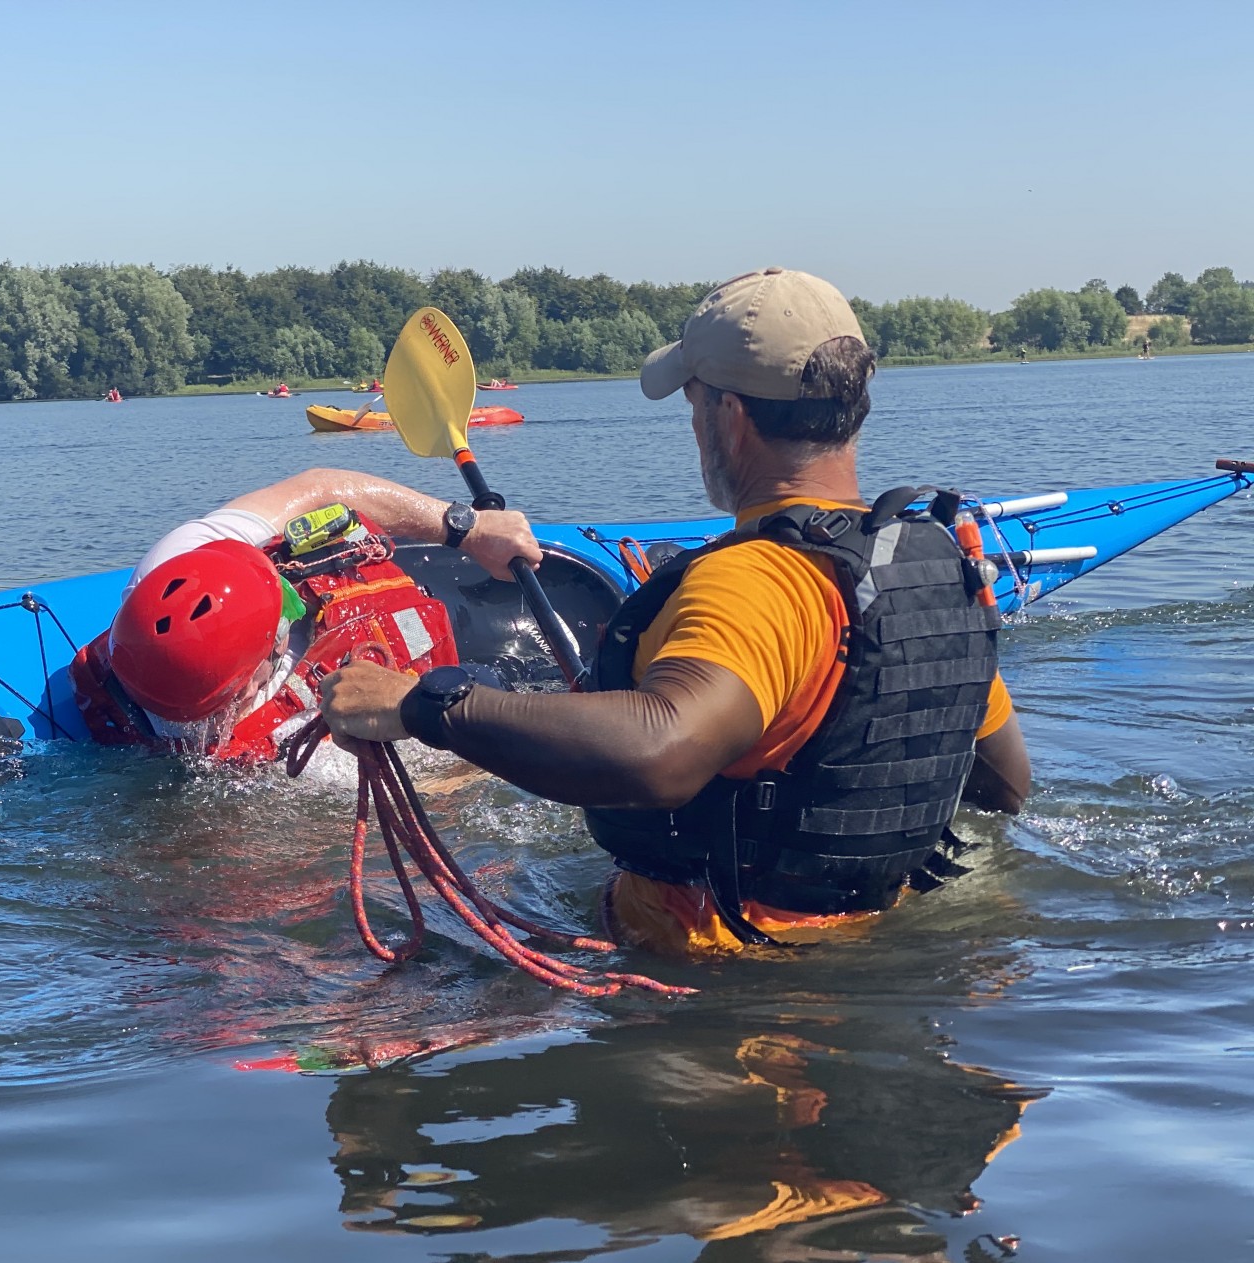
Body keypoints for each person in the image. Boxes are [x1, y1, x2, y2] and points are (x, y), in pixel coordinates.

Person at [322, 267, 1031, 957]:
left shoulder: (751, 582)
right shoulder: (931, 569)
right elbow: (1005, 787)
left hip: (718, 973)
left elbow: (661, 749)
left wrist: (427, 706)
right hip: (887, 953)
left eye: (694, 404)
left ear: (729, 415)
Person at [69, 468, 540, 762]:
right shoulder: (307, 750)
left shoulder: (173, 562)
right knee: (478, 689)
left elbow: (321, 488)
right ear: (247, 685)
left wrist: (469, 528)